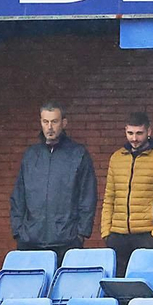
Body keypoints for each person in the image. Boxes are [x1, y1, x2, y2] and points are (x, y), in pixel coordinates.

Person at [9, 101, 97, 258]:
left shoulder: (78, 154)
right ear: (41, 122)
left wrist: (81, 233)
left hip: (67, 241)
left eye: (54, 121)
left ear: (64, 123)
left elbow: (88, 197)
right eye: (45, 121)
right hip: (30, 241)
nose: (49, 127)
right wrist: (18, 231)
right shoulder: (30, 155)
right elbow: (18, 196)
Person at [100, 111, 153, 273]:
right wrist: (106, 232)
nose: (134, 138)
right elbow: (109, 197)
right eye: (130, 133)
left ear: (149, 132)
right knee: (118, 287)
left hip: (147, 235)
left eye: (139, 133)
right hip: (117, 235)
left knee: (146, 286)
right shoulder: (116, 158)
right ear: (125, 131)